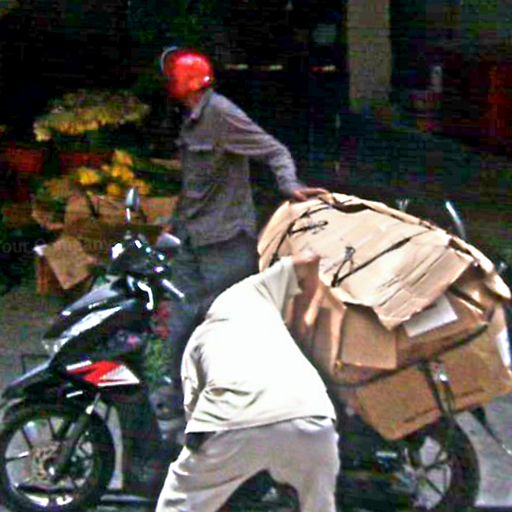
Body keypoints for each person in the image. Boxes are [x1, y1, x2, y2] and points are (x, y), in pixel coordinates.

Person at [159, 47, 328, 385]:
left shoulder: (221, 114)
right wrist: (173, 225)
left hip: (225, 241)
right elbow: (193, 184)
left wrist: (289, 185)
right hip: (193, 238)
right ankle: (178, 396)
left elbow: (274, 150)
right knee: (181, 323)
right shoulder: (191, 120)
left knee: (228, 327)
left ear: (182, 83)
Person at [155, 252, 340, 512]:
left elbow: (194, 413)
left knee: (180, 501)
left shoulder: (198, 341)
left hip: (237, 422)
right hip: (314, 421)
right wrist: (308, 312)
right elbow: (310, 259)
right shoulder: (255, 294)